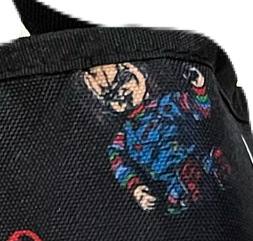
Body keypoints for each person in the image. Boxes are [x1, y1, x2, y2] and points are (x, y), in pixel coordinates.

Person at [83, 62, 230, 215]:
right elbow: (117, 161)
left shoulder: (169, 103)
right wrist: (135, 187)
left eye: (125, 78)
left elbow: (201, 110)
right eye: (111, 95)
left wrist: (199, 88)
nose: (122, 92)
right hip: (174, 183)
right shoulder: (124, 137)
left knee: (215, 162)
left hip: (200, 159)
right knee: (178, 197)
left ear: (141, 73)